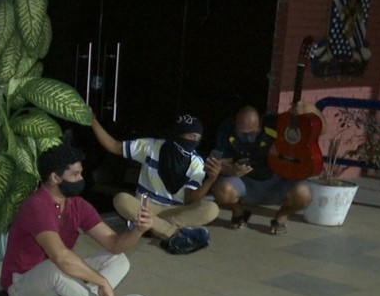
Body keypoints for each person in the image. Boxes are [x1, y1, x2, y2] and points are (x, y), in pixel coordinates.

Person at [1, 140, 153, 296]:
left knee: (119, 260)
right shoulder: (37, 205)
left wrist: (138, 230)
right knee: (55, 267)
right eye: (75, 174)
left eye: (80, 173)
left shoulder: (77, 204)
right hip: (22, 286)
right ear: (55, 178)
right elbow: (60, 257)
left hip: (58, 275)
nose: (81, 178)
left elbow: (114, 244)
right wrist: (101, 281)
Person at [91, 114, 221, 254]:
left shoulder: (196, 162)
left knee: (211, 209)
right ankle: (172, 233)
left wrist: (211, 179)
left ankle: (152, 227)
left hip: (175, 210)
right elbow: (114, 146)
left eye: (198, 139)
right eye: (190, 137)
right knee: (121, 199)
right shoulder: (151, 147)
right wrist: (92, 120)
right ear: (178, 134)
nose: (194, 142)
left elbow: (190, 200)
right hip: (147, 206)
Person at [211, 105, 314, 235]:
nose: (247, 137)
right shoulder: (226, 129)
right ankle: (239, 213)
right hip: (246, 181)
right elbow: (216, 163)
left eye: (252, 133)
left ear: (260, 124)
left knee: (304, 193)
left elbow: (318, 129)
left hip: (277, 179)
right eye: (242, 133)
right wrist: (232, 170)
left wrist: (311, 109)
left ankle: (281, 217)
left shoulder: (276, 123)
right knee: (221, 189)